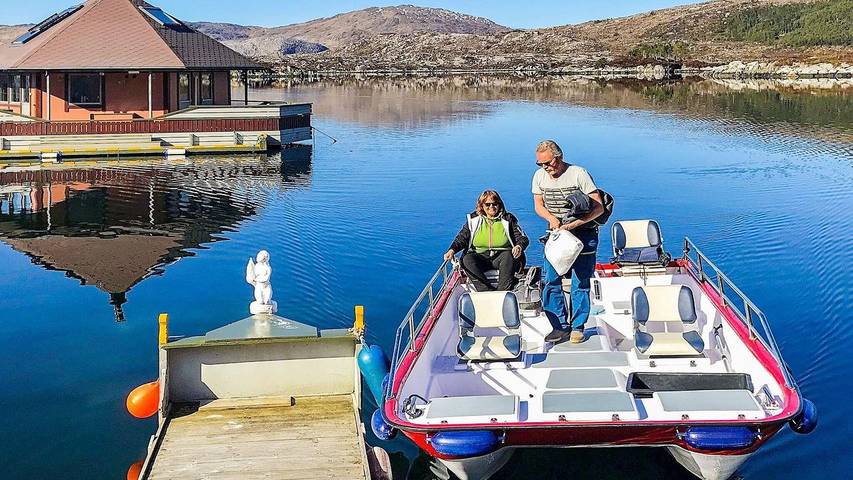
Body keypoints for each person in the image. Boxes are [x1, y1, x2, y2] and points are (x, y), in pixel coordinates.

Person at [532, 140, 604, 344]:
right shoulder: (539, 177)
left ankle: (577, 327)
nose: (545, 167)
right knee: (551, 279)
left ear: (559, 157)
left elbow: (598, 208)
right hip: (557, 235)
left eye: (548, 163)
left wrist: (573, 225)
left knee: (580, 282)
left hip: (583, 234)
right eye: (540, 164)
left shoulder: (578, 174)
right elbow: (538, 205)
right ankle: (559, 326)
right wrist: (551, 219)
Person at [444, 190, 529, 291]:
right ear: (482, 206)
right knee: (467, 259)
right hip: (480, 257)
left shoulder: (508, 219)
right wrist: (452, 250)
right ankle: (485, 291)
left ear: (499, 204)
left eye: (495, 204)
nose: (491, 207)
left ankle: (503, 291)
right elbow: (462, 237)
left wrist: (519, 246)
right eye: (487, 204)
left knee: (508, 256)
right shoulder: (473, 220)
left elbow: (522, 237)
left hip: (502, 258)